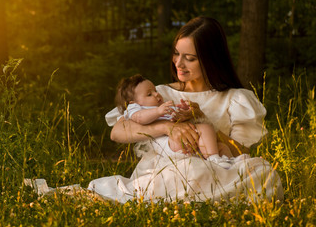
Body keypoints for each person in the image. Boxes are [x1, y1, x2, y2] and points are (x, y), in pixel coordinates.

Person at [27, 17, 283, 203]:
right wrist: (167, 126)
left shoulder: (236, 98)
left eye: (189, 58)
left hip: (219, 167)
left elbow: (240, 152)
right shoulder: (159, 94)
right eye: (176, 54)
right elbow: (118, 131)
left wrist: (201, 121)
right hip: (171, 168)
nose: (178, 63)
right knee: (188, 171)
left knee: (263, 174)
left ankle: (204, 197)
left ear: (210, 58)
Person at [115, 73, 234, 168]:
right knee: (205, 128)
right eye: (149, 94)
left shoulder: (161, 107)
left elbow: (175, 118)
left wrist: (183, 111)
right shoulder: (135, 108)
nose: (156, 94)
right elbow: (139, 117)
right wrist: (158, 112)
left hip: (184, 138)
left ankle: (229, 164)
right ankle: (214, 159)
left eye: (155, 90)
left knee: (221, 147)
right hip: (168, 142)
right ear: (133, 103)